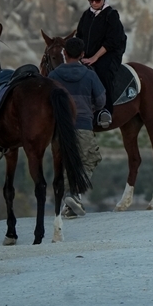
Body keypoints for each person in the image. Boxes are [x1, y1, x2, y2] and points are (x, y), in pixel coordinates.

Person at [47, 36, 106, 218]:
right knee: (91, 158)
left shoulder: (53, 76)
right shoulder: (90, 75)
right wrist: (90, 107)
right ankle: (72, 193)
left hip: (59, 128)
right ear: (82, 54)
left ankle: (71, 205)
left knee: (66, 162)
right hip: (83, 124)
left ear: (64, 53)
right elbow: (101, 101)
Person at [76, 0, 126, 129]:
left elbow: (112, 41)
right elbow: (79, 35)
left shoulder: (111, 15)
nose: (93, 3)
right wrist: (80, 54)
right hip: (88, 53)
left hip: (109, 53)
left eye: (97, 0)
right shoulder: (86, 15)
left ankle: (105, 111)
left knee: (103, 71)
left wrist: (94, 57)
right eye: (90, 0)